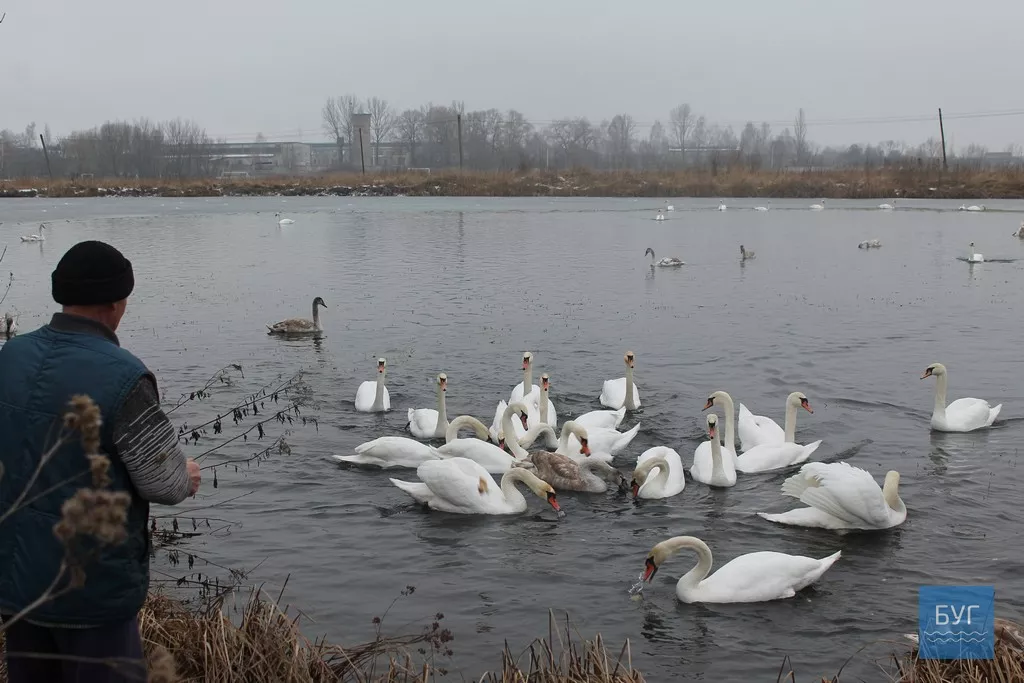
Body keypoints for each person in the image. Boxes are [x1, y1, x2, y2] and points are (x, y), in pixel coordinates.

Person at [0, 240, 201, 682]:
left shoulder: (9, 357)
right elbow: (163, 485)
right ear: (115, 303)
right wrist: (184, 475)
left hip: (18, 586)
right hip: (89, 593)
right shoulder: (124, 376)